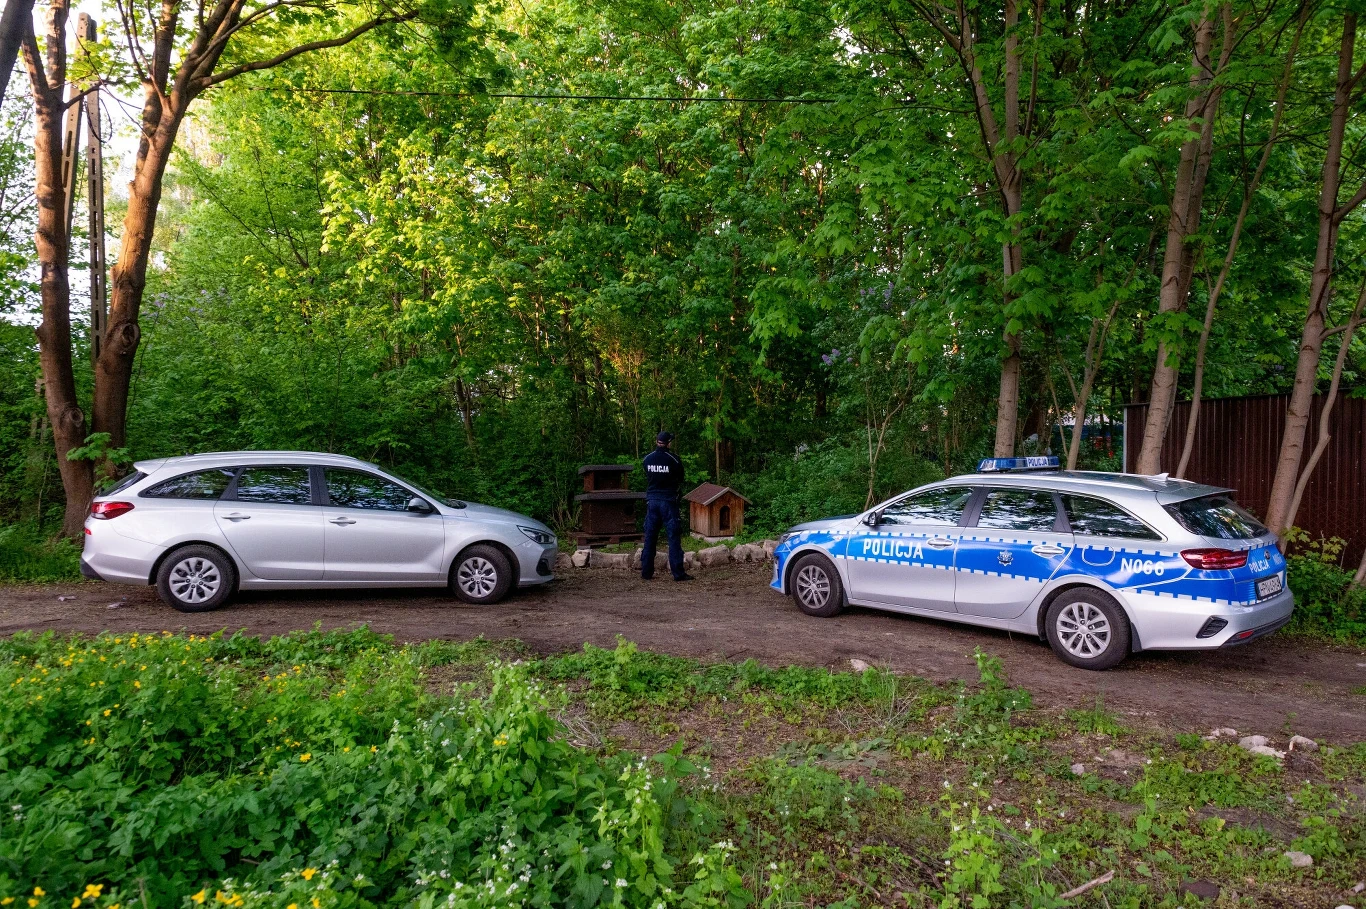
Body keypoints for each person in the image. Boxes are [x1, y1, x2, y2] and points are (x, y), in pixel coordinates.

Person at [641, 431, 692, 581]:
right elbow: (681, 478)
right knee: (673, 537)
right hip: (668, 502)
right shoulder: (674, 460)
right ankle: (678, 573)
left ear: (657, 441)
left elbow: (648, 475)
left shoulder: (647, 459)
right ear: (668, 443)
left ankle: (646, 572)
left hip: (652, 501)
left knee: (650, 537)